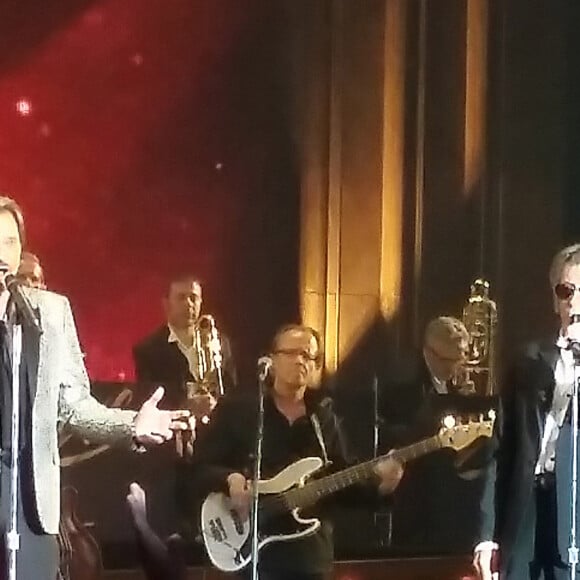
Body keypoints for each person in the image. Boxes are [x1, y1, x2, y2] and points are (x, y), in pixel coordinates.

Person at [0, 195, 191, 580]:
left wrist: (130, 425)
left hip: (31, 505)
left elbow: (74, 406)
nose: (2, 252)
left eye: (10, 241)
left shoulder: (49, 314)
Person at [189, 323, 404, 580]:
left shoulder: (325, 418)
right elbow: (198, 471)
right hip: (253, 556)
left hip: (309, 558)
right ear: (272, 360)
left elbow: (342, 485)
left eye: (309, 356)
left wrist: (381, 487)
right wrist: (230, 479)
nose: (301, 360)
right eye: (293, 353)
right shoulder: (241, 411)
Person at [474, 243, 580, 580]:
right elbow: (500, 451)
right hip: (527, 507)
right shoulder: (527, 362)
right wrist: (486, 535)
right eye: (566, 291)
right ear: (555, 298)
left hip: (574, 509)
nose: (574, 302)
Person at [382, 316, 486, 553]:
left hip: (450, 499)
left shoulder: (455, 384)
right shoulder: (402, 385)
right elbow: (394, 436)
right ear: (429, 353)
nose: (458, 365)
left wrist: (463, 403)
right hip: (416, 498)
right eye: (451, 359)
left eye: (461, 357)